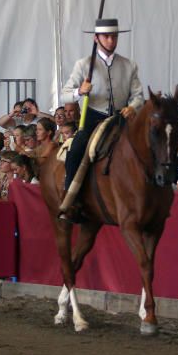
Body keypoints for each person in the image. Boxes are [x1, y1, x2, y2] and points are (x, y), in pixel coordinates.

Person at [59, 18, 143, 219]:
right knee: (77, 148)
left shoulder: (129, 65)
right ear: (97, 38)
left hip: (121, 118)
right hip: (93, 118)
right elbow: (64, 94)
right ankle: (71, 198)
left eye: (114, 36)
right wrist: (80, 91)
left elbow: (138, 95)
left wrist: (133, 107)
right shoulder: (84, 64)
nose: (111, 40)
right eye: (107, 36)